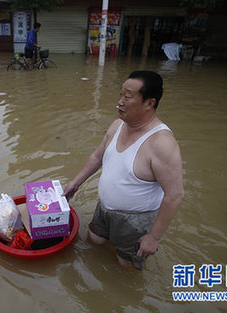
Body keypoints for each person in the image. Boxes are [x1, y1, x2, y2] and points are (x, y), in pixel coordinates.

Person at [63, 71, 184, 270]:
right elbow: (97, 157)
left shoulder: (162, 143)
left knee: (124, 265)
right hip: (104, 208)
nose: (119, 102)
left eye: (127, 97)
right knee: (94, 241)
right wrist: (75, 183)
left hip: (134, 220)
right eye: (120, 94)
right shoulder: (118, 125)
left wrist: (153, 238)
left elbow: (175, 195)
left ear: (149, 103)